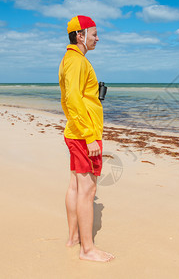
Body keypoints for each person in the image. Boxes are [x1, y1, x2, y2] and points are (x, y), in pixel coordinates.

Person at [58, 15, 114, 262]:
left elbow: (73, 98)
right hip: (84, 134)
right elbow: (72, 100)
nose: (97, 38)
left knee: (75, 186)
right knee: (87, 190)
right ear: (80, 35)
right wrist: (90, 136)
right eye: (94, 34)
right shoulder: (76, 61)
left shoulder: (71, 60)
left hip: (77, 131)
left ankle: (74, 239)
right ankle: (87, 250)